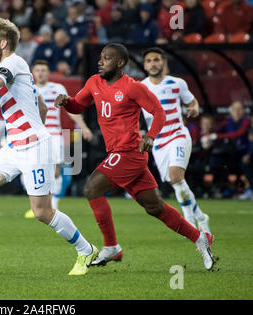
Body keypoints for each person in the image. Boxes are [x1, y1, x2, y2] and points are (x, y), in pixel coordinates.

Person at [0, 18, 98, 275]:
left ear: (3, 42)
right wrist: (36, 126)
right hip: (15, 146)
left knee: (42, 212)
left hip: (33, 148)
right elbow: (41, 104)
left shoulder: (12, 62)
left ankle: (86, 249)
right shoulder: (14, 68)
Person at [54, 43, 217, 271]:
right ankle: (200, 238)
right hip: (120, 154)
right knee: (155, 207)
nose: (100, 62)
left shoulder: (132, 87)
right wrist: (67, 102)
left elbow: (159, 112)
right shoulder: (93, 82)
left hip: (129, 153)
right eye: (100, 58)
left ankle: (111, 247)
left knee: (92, 189)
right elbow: (79, 105)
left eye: (107, 58)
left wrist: (150, 136)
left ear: (120, 63)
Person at [141, 47, 210, 232]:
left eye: (156, 60)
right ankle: (201, 217)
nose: (153, 63)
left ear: (163, 63)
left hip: (177, 135)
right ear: (145, 65)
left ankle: (189, 221)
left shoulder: (177, 83)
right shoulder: (141, 88)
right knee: (175, 182)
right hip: (158, 143)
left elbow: (192, 101)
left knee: (176, 176)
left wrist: (194, 108)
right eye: (149, 60)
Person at [24, 59, 93, 218]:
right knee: (34, 169)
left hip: (54, 134)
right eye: (38, 70)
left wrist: (83, 127)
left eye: (44, 70)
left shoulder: (57, 88)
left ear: (48, 73)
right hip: (34, 136)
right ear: (33, 73)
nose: (40, 73)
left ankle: (53, 206)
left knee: (55, 170)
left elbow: (70, 110)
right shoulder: (29, 89)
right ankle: (37, 206)